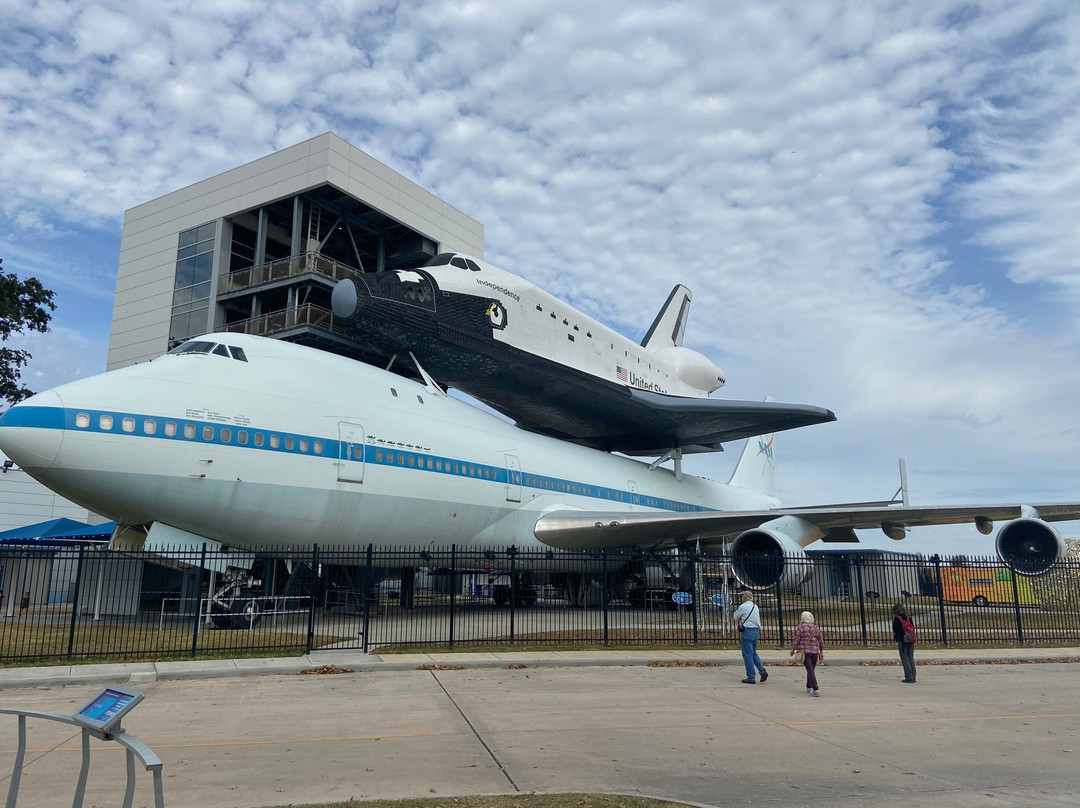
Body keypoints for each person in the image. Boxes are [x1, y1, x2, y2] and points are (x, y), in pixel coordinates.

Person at [732, 591, 767, 683]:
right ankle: (762, 670)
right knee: (753, 653)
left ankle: (751, 676)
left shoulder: (743, 607)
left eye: (742, 596)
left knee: (747, 654)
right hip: (755, 631)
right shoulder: (755, 607)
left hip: (747, 631)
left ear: (744, 597)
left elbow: (735, 617)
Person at [791, 610, 824, 696]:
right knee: (811, 669)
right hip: (815, 651)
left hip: (805, 652)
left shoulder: (801, 627)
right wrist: (821, 651)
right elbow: (820, 640)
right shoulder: (816, 628)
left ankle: (815, 689)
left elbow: (797, 640)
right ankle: (809, 686)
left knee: (810, 670)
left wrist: (793, 649)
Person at [892, 603, 916, 683]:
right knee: (911, 658)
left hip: (902, 640)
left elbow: (895, 629)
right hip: (911, 640)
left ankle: (909, 677)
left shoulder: (897, 618)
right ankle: (913, 675)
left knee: (905, 658)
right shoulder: (909, 617)